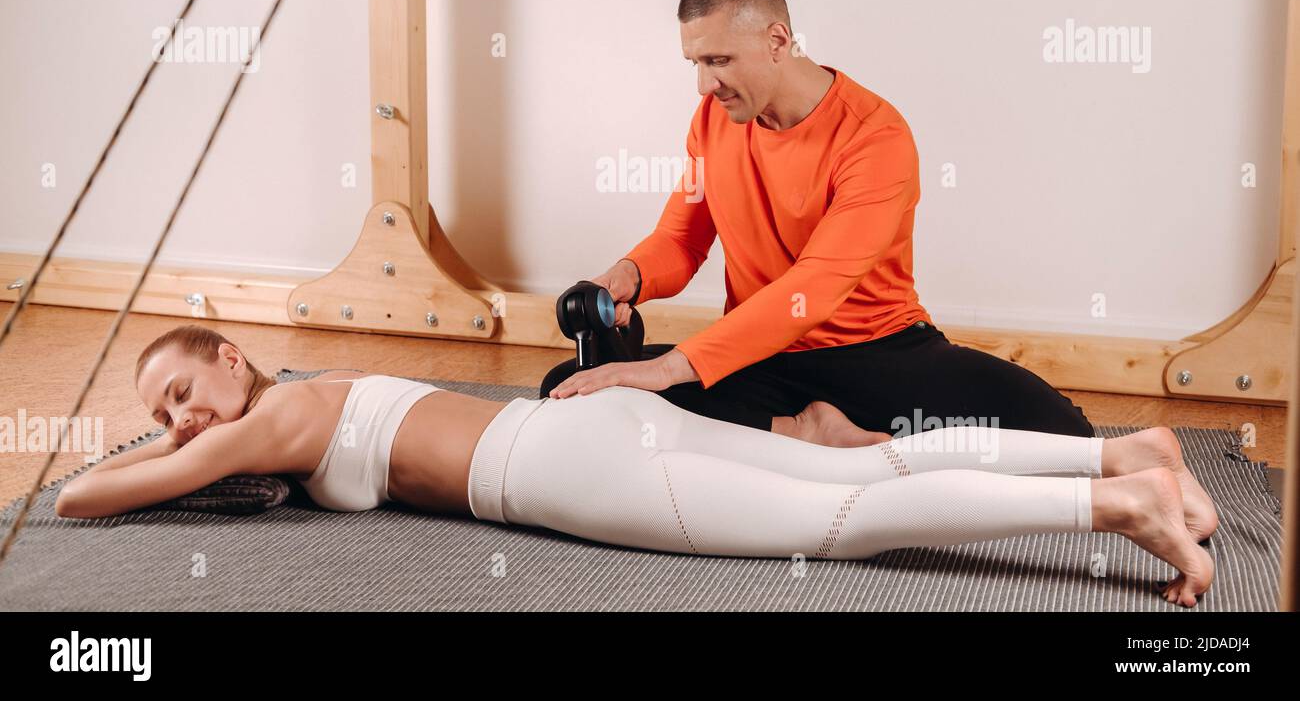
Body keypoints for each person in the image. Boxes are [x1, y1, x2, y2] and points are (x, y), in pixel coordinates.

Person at [55, 326, 1217, 607]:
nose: (183, 419)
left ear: (232, 354)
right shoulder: (318, 386)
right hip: (585, 437)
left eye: (181, 390)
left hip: (567, 474)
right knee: (871, 468)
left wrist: (173, 444)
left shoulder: (268, 421)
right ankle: (1119, 451)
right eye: (167, 411)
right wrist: (185, 422)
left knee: (848, 516)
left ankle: (1114, 505)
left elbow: (81, 494)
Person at [543, 0, 1093, 442]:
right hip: (761, 356)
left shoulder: (874, 135)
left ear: (778, 41)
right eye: (695, 63)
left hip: (876, 353)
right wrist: (629, 274)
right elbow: (682, 239)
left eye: (718, 61)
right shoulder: (714, 119)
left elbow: (816, 288)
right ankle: (803, 432)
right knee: (569, 388)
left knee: (1065, 432)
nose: (703, 85)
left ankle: (780, 434)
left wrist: (670, 369)